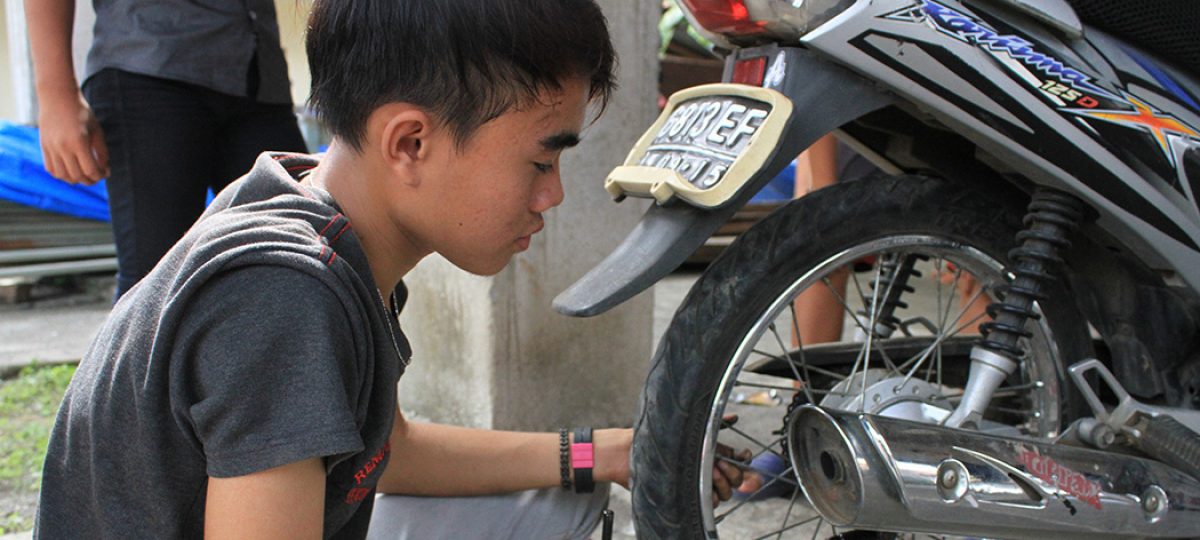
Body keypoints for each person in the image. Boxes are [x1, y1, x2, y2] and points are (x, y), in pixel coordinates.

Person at [34, 1, 748, 538]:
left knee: (564, 497)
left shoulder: (306, 214)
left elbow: (385, 453)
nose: (552, 195)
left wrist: (605, 451)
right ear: (409, 143)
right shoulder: (282, 294)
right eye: (540, 161)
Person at [25, 0, 309, 299]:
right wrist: (55, 92)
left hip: (259, 70)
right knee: (156, 282)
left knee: (300, 254)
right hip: (149, 66)